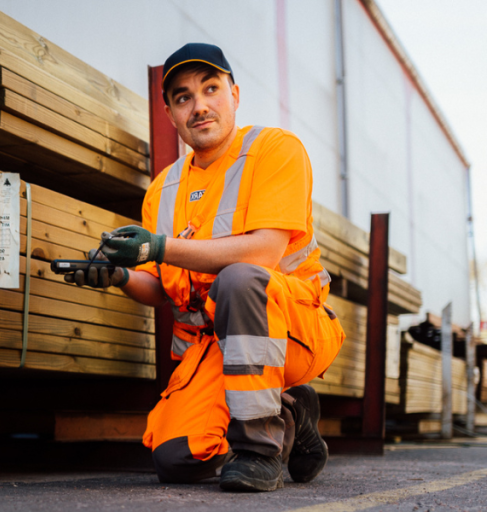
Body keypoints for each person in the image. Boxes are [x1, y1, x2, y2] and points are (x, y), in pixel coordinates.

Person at [66, 43, 344, 492]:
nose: (199, 106)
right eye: (183, 97)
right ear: (172, 114)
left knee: (239, 277)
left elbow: (262, 256)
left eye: (210, 89)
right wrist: (119, 277)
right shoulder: (164, 190)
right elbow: (159, 288)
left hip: (293, 329)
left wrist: (157, 246)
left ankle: (259, 450)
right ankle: (292, 411)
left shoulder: (274, 149)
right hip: (218, 349)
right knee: (177, 459)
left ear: (234, 94)